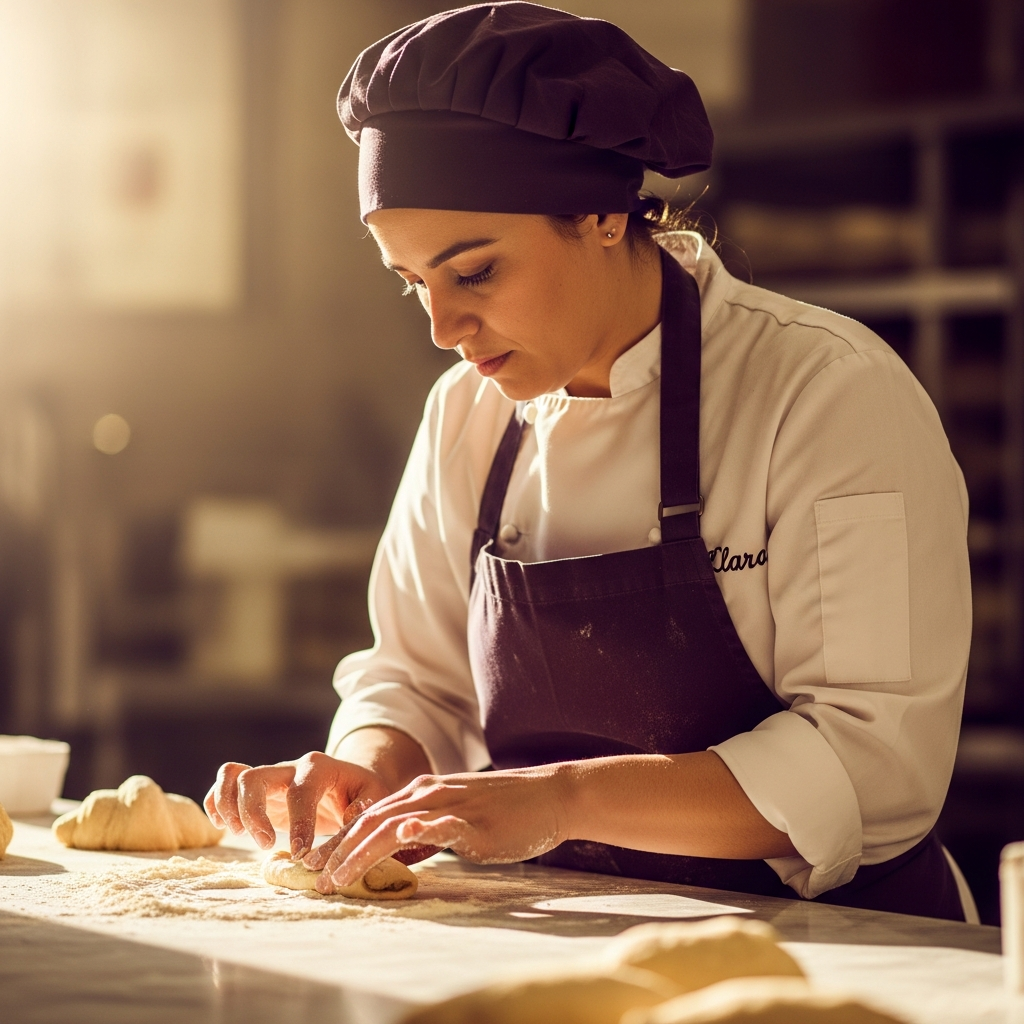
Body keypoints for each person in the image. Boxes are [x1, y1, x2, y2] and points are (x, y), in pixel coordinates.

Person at [205, 2, 973, 921]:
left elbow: (874, 767)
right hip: (568, 932)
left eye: (475, 272)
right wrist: (365, 769)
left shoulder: (827, 394)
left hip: (847, 949)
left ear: (605, 214)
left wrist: (557, 799)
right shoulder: (466, 415)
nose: (444, 330)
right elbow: (416, 680)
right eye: (414, 284)